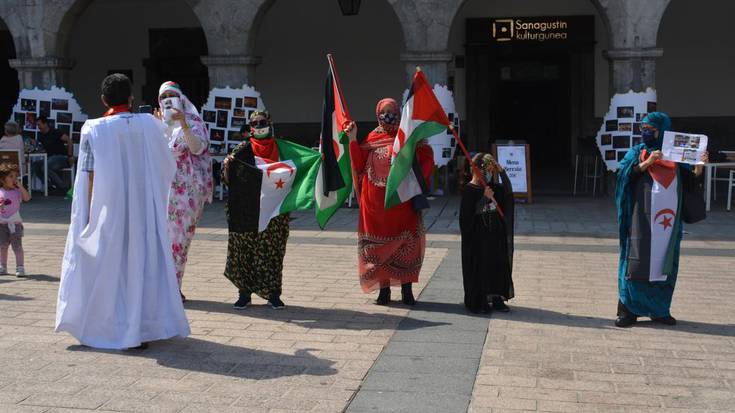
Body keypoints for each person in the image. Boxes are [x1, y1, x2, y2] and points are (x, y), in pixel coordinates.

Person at [55, 73, 190, 349]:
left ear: (104, 99)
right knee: (139, 265)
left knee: (114, 268)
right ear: (131, 97)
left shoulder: (94, 129)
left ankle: (117, 326)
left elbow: (88, 176)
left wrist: (88, 217)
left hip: (110, 210)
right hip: (142, 210)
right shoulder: (150, 125)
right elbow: (167, 163)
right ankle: (142, 325)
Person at [615, 112, 707, 328]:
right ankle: (628, 309)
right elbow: (622, 175)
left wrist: (699, 165)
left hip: (668, 221)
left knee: (664, 262)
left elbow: (690, 180)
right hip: (641, 220)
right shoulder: (638, 151)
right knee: (636, 261)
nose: (646, 133)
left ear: (662, 131)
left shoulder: (676, 155)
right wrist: (648, 162)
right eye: (643, 129)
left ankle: (659, 309)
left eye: (651, 130)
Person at [346, 98, 433, 305]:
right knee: (379, 249)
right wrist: (352, 138)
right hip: (375, 207)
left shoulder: (407, 138)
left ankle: (407, 290)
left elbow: (425, 160)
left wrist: (419, 141)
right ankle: (383, 291)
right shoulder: (371, 138)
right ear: (377, 114)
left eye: (392, 111)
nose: (388, 115)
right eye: (384, 112)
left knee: (406, 245)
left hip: (402, 203)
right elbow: (358, 164)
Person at [222, 111, 288, 310]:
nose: (259, 126)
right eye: (254, 123)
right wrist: (226, 166)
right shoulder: (242, 149)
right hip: (247, 210)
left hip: (274, 210)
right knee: (245, 250)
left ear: (270, 122)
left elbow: (299, 166)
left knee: (273, 251)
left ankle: (273, 294)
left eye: (262, 122)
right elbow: (226, 178)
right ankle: (244, 293)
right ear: (250, 127)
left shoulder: (282, 148)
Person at [157, 81, 213, 301]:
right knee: (160, 240)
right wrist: (155, 127)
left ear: (181, 98)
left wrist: (183, 124)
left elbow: (197, 148)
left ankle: (174, 287)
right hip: (161, 189)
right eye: (164, 97)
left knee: (179, 240)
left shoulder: (193, 122)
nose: (168, 100)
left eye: (172, 95)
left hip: (186, 192)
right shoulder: (158, 124)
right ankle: (162, 289)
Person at [459, 153, 515, 313]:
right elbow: (467, 217)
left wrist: (502, 171)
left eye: (492, 171)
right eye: (487, 170)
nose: (490, 174)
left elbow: (509, 193)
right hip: (479, 239)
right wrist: (484, 198)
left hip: (494, 235)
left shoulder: (493, 187)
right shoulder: (470, 190)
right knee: (481, 269)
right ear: (478, 171)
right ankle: (480, 299)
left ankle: (497, 298)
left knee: (497, 265)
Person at [0, 163, 31, 277]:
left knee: (17, 246)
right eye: (11, 176)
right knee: (2, 246)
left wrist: (20, 186)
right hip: (2, 224)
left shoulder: (17, 191)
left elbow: (27, 198)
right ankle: (2, 266)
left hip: (15, 224)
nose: (15, 179)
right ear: (3, 180)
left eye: (16, 176)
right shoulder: (0, 191)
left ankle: (20, 266)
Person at [32, 116, 73, 192]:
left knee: (45, 166)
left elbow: (69, 140)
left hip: (62, 157)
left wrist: (70, 156)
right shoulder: (41, 135)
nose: (38, 127)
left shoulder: (55, 132)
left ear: (45, 124)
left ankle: (63, 188)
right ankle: (49, 186)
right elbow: (43, 149)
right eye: (37, 125)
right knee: (35, 165)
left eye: (39, 124)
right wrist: (35, 146)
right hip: (50, 158)